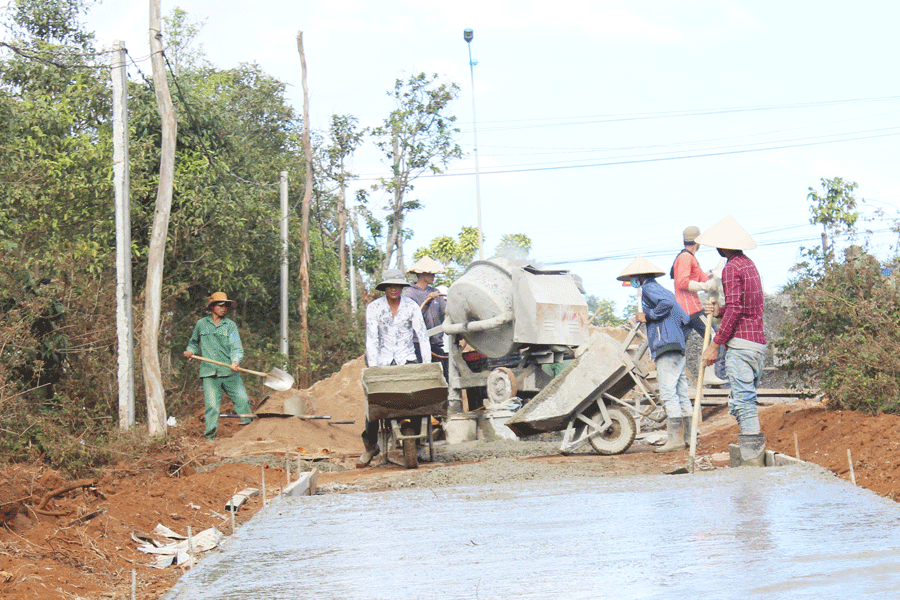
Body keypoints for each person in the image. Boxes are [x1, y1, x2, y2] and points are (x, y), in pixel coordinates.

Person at [696, 215, 767, 466]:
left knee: (744, 403)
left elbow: (737, 308)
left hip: (741, 346)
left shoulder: (731, 267)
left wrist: (715, 344)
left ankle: (752, 463)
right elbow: (745, 307)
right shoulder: (749, 265)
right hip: (757, 345)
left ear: (722, 246)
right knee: (740, 401)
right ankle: (751, 458)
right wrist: (720, 311)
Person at [617, 256, 692, 452]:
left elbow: (665, 303)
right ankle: (688, 438)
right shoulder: (662, 289)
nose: (633, 281)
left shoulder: (649, 288)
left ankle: (675, 440)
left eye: (634, 277)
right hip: (677, 346)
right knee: (680, 392)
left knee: (668, 392)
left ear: (640, 277)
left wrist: (648, 316)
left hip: (666, 346)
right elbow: (685, 319)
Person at [359, 269, 432, 467]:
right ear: (384, 288)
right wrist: (374, 369)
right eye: (389, 286)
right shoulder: (374, 308)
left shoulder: (411, 306)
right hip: (383, 360)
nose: (393, 289)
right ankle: (371, 445)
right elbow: (372, 339)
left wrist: (427, 366)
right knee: (374, 400)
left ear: (401, 287)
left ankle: (420, 443)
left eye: (396, 286)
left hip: (407, 358)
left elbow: (422, 335)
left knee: (422, 394)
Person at [184, 292, 253, 440]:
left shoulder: (230, 326)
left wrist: (235, 361)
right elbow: (193, 342)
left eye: (226, 305)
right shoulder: (201, 324)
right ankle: (210, 440)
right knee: (212, 407)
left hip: (229, 372)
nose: (224, 308)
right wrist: (191, 351)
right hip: (209, 373)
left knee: (242, 400)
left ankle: (250, 434)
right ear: (212, 306)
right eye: (220, 305)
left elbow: (236, 347)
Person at [671, 225, 728, 386]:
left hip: (683, 310)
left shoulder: (688, 257)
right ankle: (714, 375)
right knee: (715, 337)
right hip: (691, 309)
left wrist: (713, 277)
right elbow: (683, 283)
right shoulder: (686, 258)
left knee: (679, 346)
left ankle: (677, 382)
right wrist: (705, 286)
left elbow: (703, 277)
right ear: (698, 241)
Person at [403, 256, 448, 380]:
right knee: (423, 381)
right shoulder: (410, 294)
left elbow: (446, 314)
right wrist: (427, 301)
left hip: (436, 345)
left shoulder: (437, 292)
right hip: (417, 345)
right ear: (423, 274)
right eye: (432, 274)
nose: (434, 276)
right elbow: (410, 319)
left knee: (443, 380)